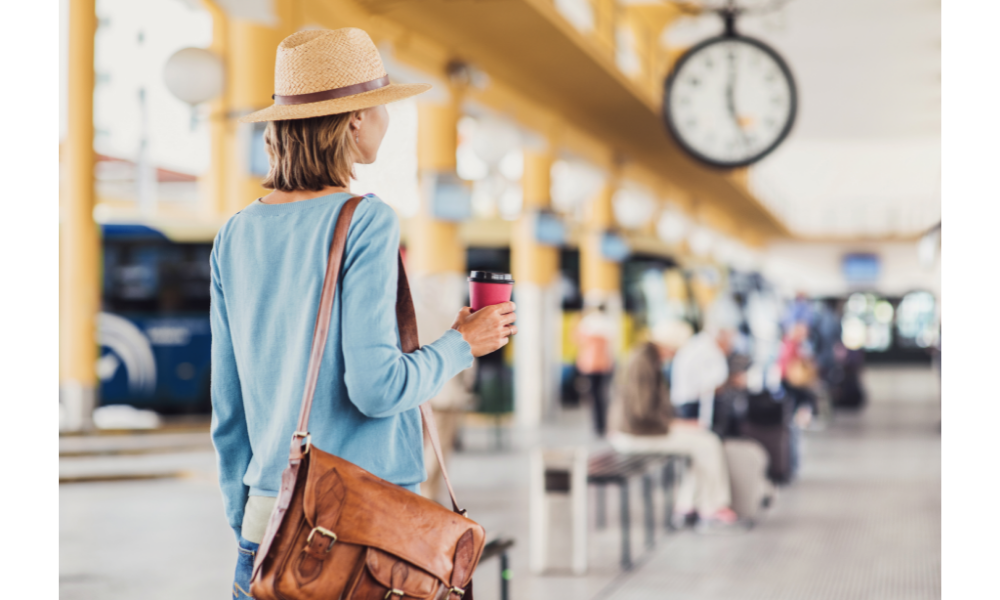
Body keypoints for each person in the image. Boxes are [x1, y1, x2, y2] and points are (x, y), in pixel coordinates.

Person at [209, 28, 518, 598]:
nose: (386, 120)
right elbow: (375, 388)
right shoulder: (366, 220)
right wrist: (461, 345)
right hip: (358, 526)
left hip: (265, 522)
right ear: (353, 119)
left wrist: (251, 520)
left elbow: (228, 410)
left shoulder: (235, 233)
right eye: (383, 107)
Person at [607, 320, 742, 531]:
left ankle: (688, 505)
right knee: (707, 443)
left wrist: (678, 424)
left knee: (703, 440)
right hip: (635, 434)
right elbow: (643, 411)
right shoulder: (644, 361)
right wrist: (676, 424)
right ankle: (712, 507)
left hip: (637, 430)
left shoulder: (645, 357)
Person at [575, 303, 616, 436]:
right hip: (604, 364)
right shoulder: (609, 323)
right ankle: (602, 424)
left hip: (590, 364)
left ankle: (597, 426)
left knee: (593, 395)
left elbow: (578, 340)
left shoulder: (587, 322)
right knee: (602, 395)